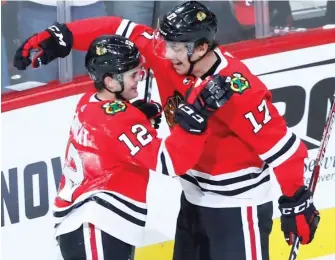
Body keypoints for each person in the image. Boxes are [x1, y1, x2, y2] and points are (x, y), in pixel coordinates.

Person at [14, 1, 320, 259]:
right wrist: (64, 35)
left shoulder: (238, 89)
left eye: (177, 47)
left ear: (201, 47)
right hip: (193, 199)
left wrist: (295, 201)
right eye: (168, 43)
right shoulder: (168, 54)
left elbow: (285, 149)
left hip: (236, 209)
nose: (167, 52)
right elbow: (119, 28)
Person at [50, 34, 229, 260]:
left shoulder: (89, 102)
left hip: (91, 227)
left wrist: (137, 116)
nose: (139, 80)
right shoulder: (120, 118)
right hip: (96, 227)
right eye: (133, 75)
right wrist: (196, 119)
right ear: (110, 81)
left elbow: (116, 142)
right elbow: (171, 162)